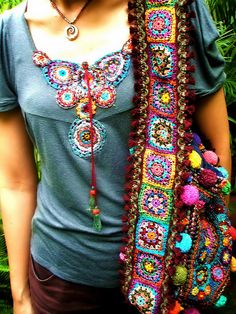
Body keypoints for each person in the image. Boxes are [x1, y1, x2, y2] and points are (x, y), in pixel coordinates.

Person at [0, 0, 232, 313]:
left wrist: (203, 253)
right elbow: (15, 181)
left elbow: (218, 151)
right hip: (60, 280)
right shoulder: (9, 32)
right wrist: (21, 296)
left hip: (168, 271)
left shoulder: (172, 12)